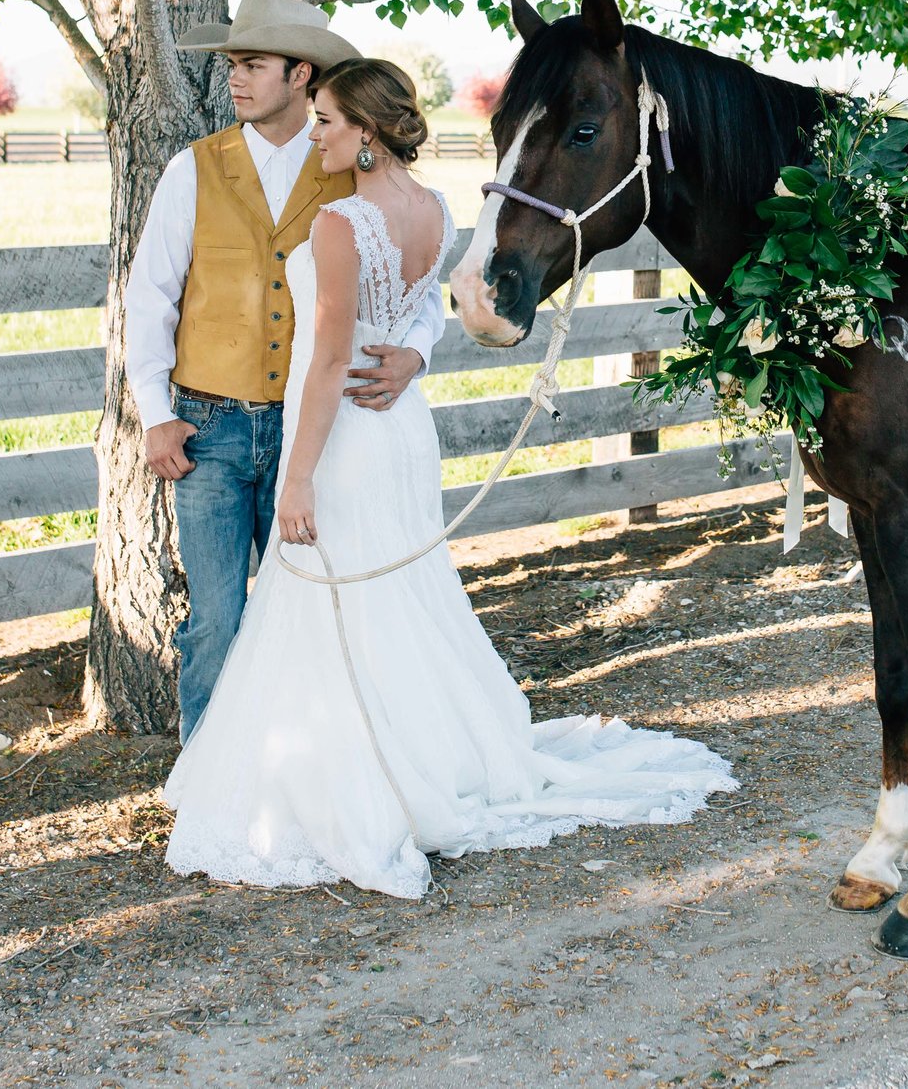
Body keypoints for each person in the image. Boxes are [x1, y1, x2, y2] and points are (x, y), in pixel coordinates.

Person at [162, 58, 736, 898]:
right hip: (402, 429)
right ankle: (430, 753)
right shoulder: (430, 210)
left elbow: (325, 367)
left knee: (336, 602)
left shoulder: (339, 224)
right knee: (397, 599)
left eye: (325, 120)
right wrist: (412, 354)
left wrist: (298, 476)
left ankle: (358, 780)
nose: (315, 133)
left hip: (346, 434)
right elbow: (420, 308)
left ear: (365, 135)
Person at [123, 0, 447, 742]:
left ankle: (297, 761)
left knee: (305, 611)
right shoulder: (192, 169)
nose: (234, 79)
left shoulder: (345, 165)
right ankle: (202, 767)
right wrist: (154, 411)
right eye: (232, 65)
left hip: (317, 433)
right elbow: (150, 299)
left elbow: (412, 278)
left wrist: (419, 350)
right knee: (216, 619)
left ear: (301, 74)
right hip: (208, 426)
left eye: (252, 65)